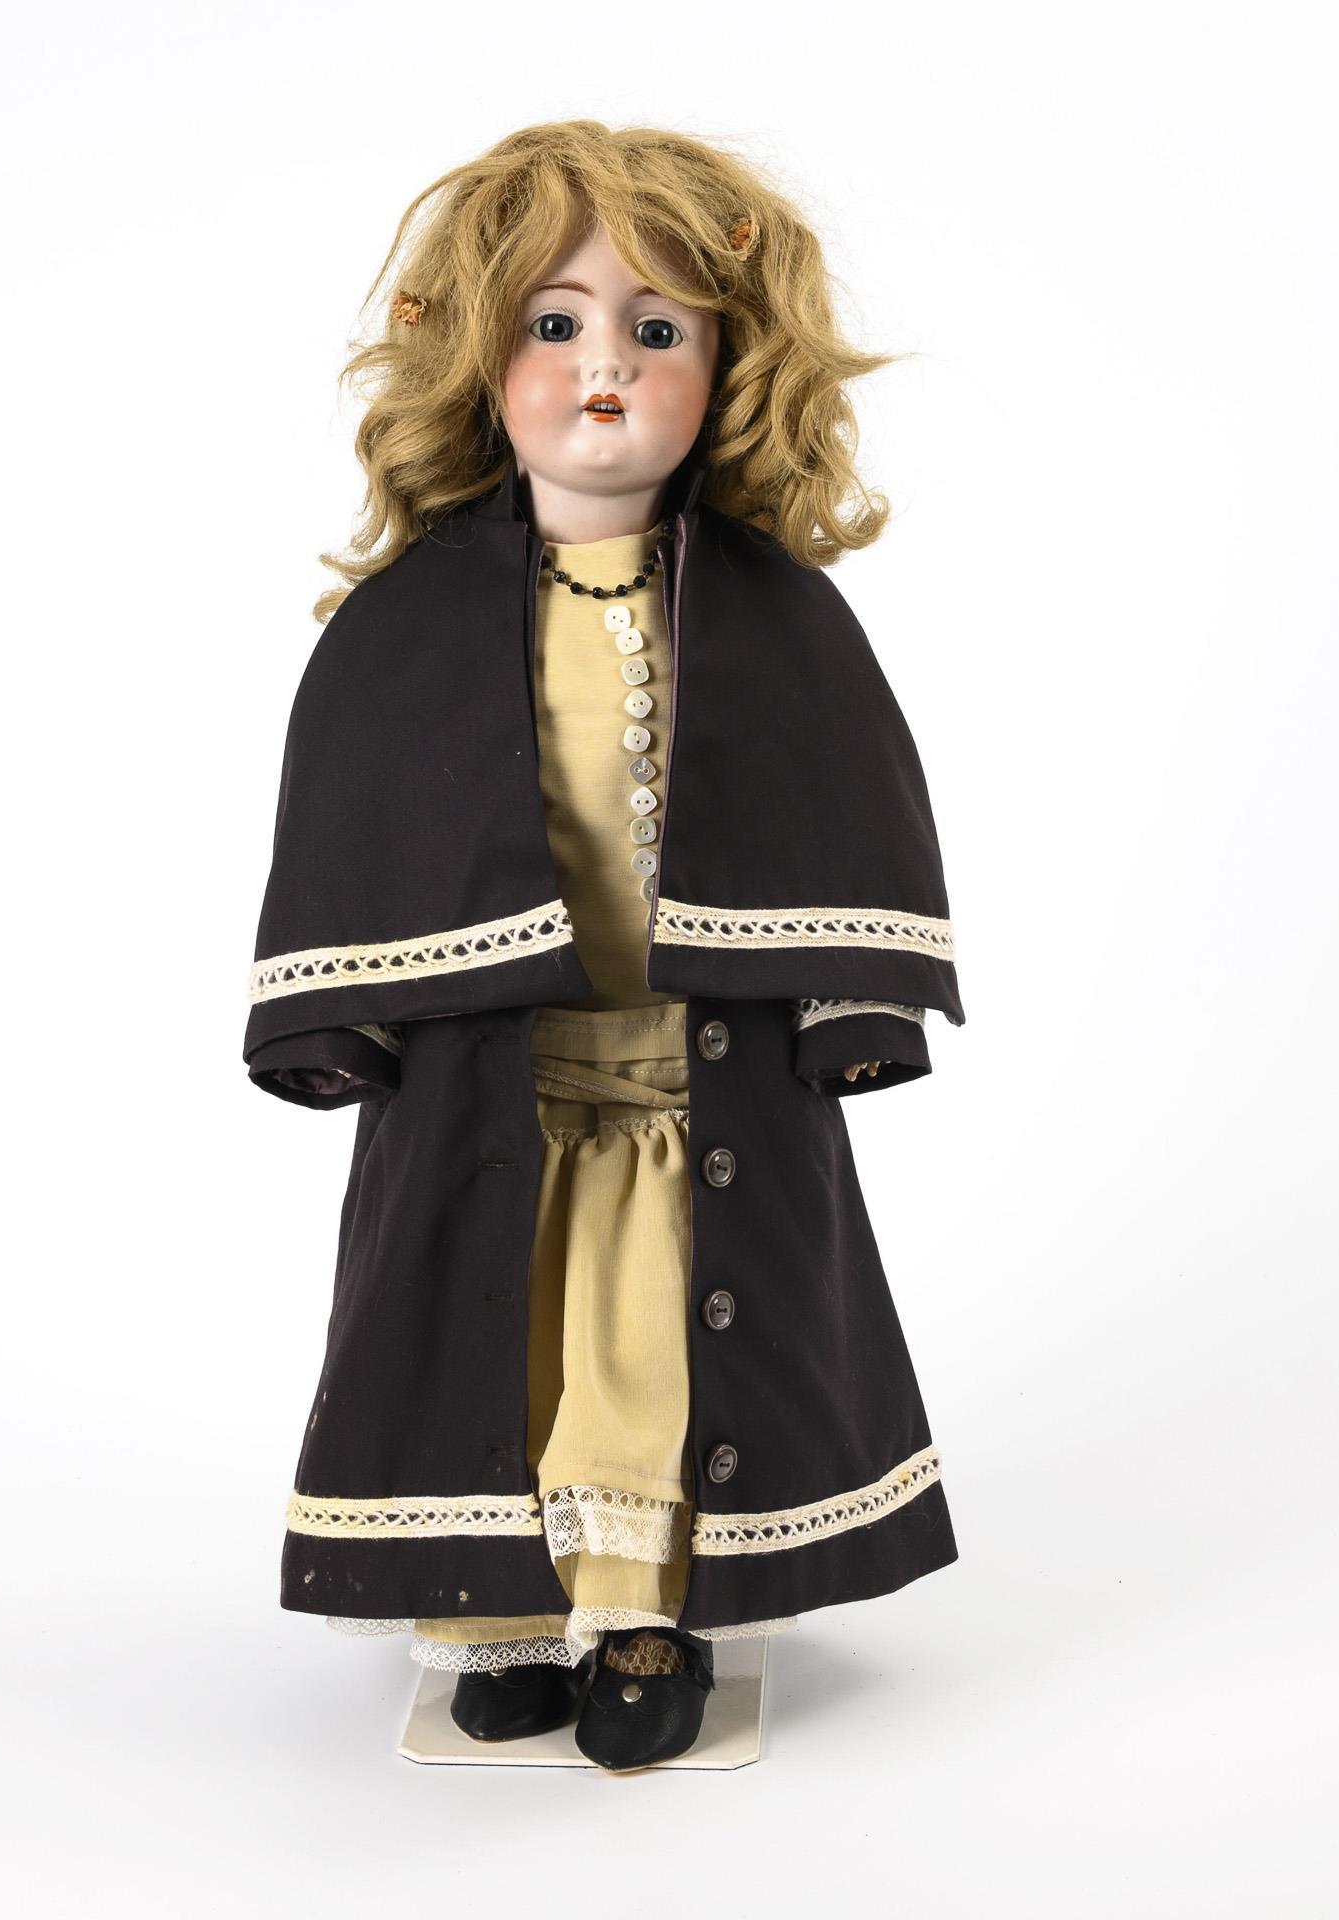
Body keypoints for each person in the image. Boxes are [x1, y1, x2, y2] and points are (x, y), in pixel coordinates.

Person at [244, 121, 965, 1773]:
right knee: (484, 1333)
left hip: (695, 1082)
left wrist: (847, 1002)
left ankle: (644, 1615)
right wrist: (347, 1018)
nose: (606, 368)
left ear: (732, 365)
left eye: (658, 329)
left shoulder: (774, 617)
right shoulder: (408, 626)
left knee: (654, 1350)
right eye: (556, 322)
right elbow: (357, 817)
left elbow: (837, 804)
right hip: (487, 1073)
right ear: (476, 356)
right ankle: (497, 1613)